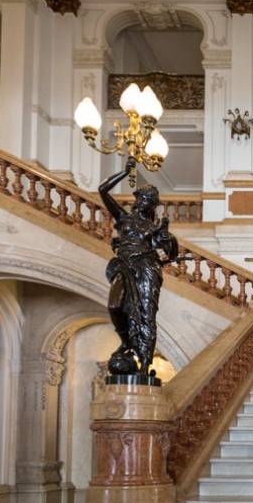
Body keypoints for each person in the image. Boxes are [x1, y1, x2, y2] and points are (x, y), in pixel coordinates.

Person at [98, 157, 179, 379]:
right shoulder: (123, 219)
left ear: (152, 205)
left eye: (148, 200)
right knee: (115, 305)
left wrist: (165, 236)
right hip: (124, 266)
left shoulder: (154, 227)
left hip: (146, 267)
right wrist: (125, 172)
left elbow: (171, 253)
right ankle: (126, 342)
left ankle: (144, 363)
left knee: (146, 314)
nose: (142, 201)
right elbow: (102, 190)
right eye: (141, 197)